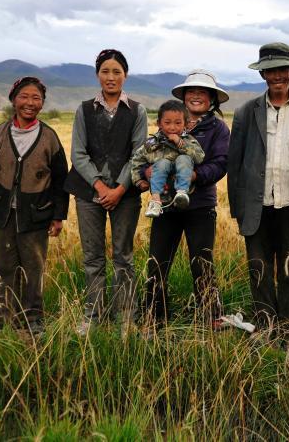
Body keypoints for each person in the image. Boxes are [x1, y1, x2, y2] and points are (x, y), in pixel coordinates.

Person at [227, 42, 289, 346]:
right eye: (270, 70)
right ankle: (265, 330)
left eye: (282, 69)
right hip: (257, 205)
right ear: (262, 74)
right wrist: (238, 209)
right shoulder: (246, 113)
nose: (277, 75)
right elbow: (235, 164)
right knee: (259, 269)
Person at [0, 76, 68, 336]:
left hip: (36, 214)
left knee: (33, 267)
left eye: (36, 98)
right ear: (13, 100)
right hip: (1, 213)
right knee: (4, 267)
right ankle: (4, 319)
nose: (30, 102)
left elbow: (61, 179)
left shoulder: (49, 137)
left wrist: (58, 216)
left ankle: (33, 318)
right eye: (24, 96)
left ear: (42, 103)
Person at [64, 49, 148, 334]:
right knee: (92, 256)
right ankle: (94, 315)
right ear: (97, 75)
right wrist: (100, 186)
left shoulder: (136, 111)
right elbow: (78, 154)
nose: (111, 77)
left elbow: (138, 154)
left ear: (125, 75)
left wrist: (120, 189)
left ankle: (125, 316)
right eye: (105, 71)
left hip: (126, 195)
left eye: (117, 72)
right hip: (89, 193)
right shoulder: (84, 109)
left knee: (123, 256)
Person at [142, 70, 231, 328]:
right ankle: (154, 318)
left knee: (202, 263)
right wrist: (145, 173)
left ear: (211, 98)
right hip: (166, 205)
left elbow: (221, 163)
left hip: (200, 205)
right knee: (157, 262)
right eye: (191, 91)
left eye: (202, 92)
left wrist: (195, 175)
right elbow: (148, 153)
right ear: (184, 96)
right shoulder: (171, 123)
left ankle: (211, 318)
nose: (196, 96)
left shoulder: (217, 129)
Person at [130, 99, 205, 217]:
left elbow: (199, 158)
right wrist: (139, 180)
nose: (172, 127)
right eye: (167, 122)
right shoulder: (152, 143)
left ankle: (181, 193)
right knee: (162, 163)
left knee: (183, 159)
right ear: (159, 123)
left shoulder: (189, 141)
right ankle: (155, 201)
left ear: (185, 124)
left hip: (188, 199)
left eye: (178, 123)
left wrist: (180, 143)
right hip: (163, 197)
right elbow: (136, 160)